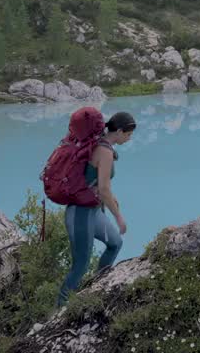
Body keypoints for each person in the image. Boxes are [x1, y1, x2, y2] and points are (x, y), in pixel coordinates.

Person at [57, 110, 137, 306]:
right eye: (128, 134)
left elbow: (95, 181)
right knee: (80, 266)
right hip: (80, 214)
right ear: (119, 131)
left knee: (115, 243)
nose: (129, 138)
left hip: (93, 211)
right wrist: (118, 216)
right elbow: (103, 188)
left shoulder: (99, 143)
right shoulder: (105, 151)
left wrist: (112, 197)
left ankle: (96, 288)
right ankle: (59, 311)